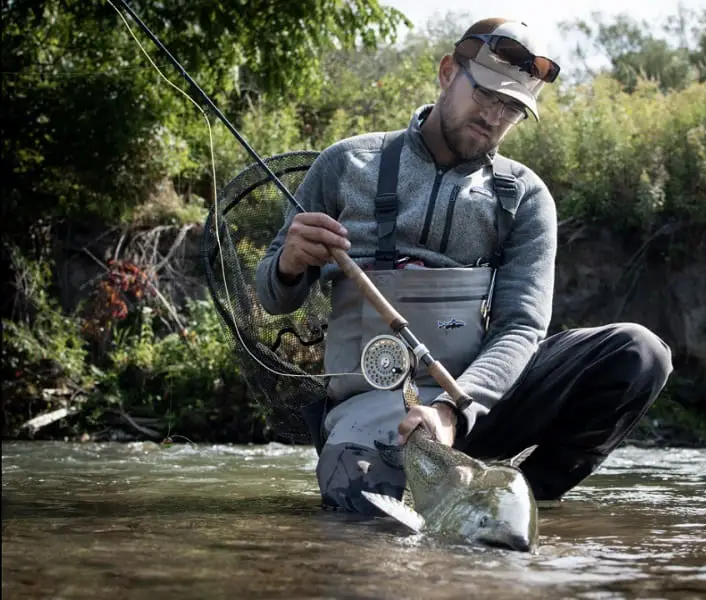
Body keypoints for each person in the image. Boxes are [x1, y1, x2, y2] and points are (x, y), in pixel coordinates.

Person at [255, 18, 672, 513]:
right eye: (487, 95)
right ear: (449, 71)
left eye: (513, 108)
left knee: (640, 352)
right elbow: (271, 297)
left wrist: (454, 409)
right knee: (365, 521)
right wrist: (288, 263)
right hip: (373, 404)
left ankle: (522, 501)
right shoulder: (344, 165)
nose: (496, 117)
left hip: (480, 404)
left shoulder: (526, 197)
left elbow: (521, 327)